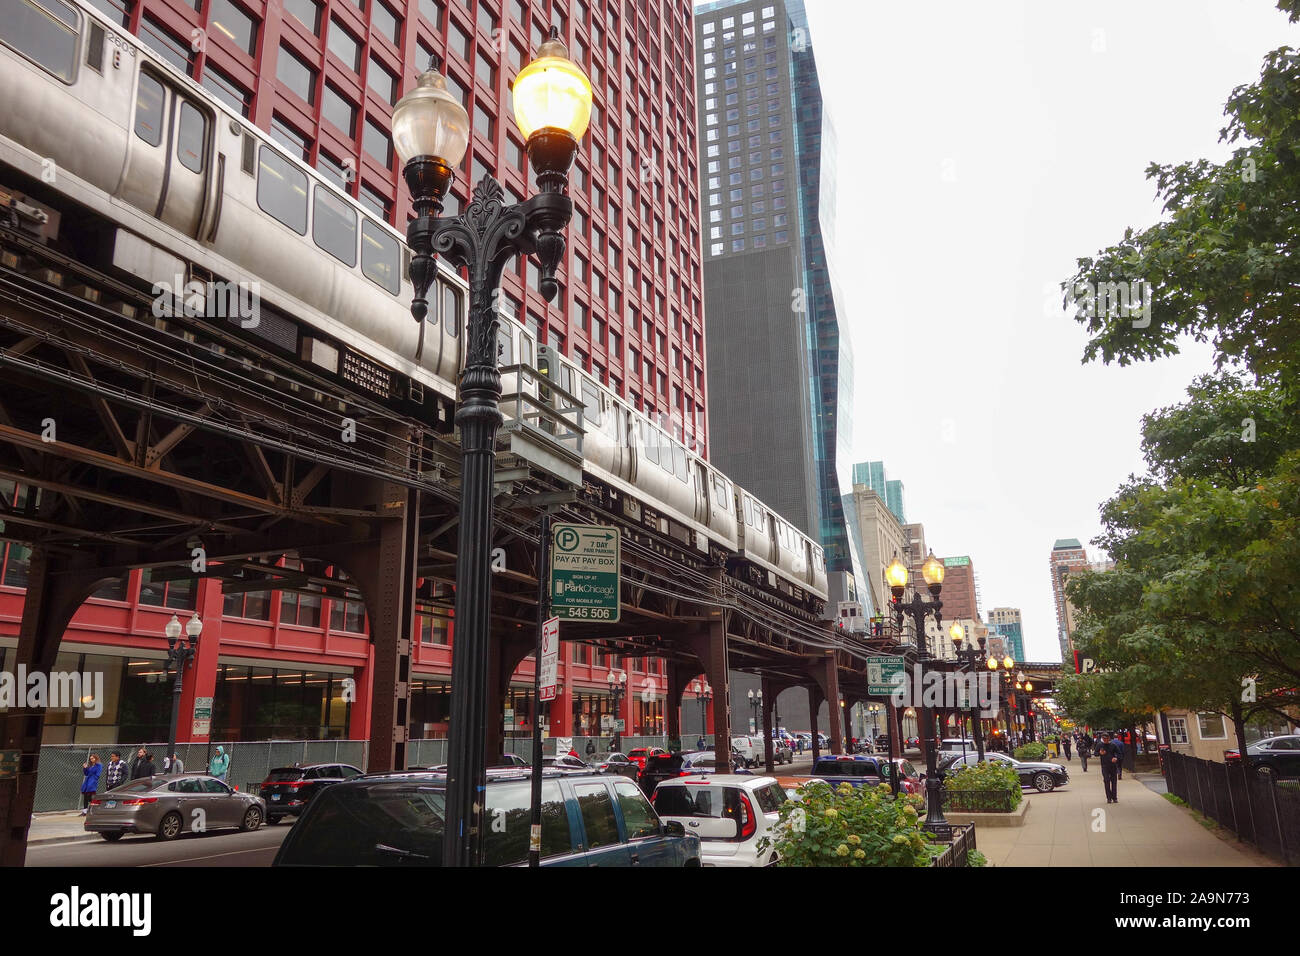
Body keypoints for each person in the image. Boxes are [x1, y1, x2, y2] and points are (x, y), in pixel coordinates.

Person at [1097, 733, 1121, 803]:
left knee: (1114, 782)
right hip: (1104, 766)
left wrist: (1116, 758)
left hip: (1113, 765)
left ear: (1109, 738)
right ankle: (1109, 797)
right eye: (1104, 739)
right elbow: (1095, 753)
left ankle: (1115, 797)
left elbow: (1120, 753)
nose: (1105, 740)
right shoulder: (1100, 745)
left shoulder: (1113, 745)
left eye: (1106, 739)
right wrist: (1100, 753)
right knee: (1106, 781)